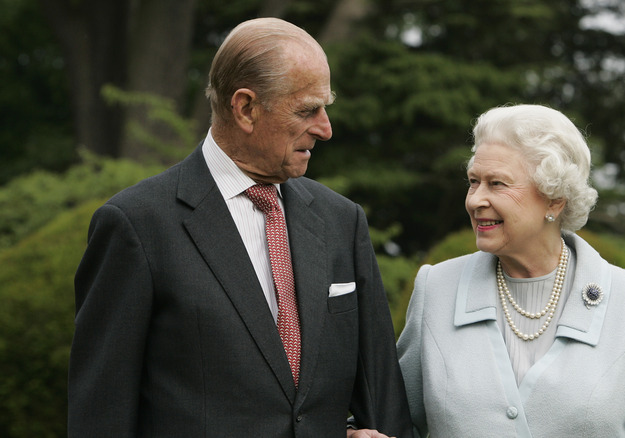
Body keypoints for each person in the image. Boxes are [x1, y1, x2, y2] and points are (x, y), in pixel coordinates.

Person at [69, 17, 412, 438]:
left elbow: (382, 398)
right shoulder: (136, 225)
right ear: (246, 108)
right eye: (308, 109)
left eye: (326, 107)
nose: (326, 129)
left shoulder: (342, 220)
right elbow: (101, 415)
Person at [396, 104, 625, 437]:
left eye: (497, 184)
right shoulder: (436, 289)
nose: (475, 200)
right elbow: (394, 420)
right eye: (473, 182)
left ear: (554, 199)